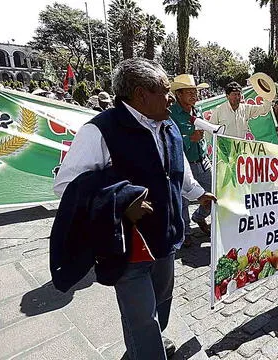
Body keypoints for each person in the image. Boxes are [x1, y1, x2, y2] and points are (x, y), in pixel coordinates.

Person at [53, 58, 216, 360]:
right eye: (166, 91)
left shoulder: (167, 125)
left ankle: (146, 345)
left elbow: (178, 172)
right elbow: (68, 187)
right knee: (141, 320)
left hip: (166, 239)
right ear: (141, 94)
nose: (171, 98)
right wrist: (119, 202)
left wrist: (199, 194)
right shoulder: (100, 130)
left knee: (162, 301)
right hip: (129, 248)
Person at [169, 74, 212, 242]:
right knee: (183, 201)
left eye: (195, 92)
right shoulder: (171, 113)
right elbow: (169, 139)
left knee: (213, 195)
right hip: (184, 163)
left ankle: (199, 217)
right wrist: (189, 138)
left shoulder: (197, 109)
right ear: (178, 94)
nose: (195, 95)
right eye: (190, 92)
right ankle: (185, 233)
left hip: (203, 161)